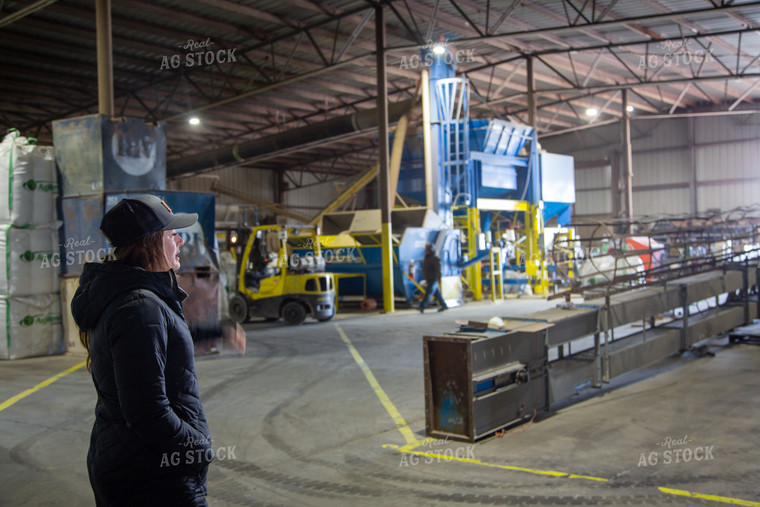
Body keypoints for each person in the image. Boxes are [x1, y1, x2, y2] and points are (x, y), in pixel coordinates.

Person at [71, 195, 213, 506]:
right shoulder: (138, 307)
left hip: (137, 462)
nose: (178, 240)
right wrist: (196, 450)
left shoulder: (137, 299)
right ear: (150, 243)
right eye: (170, 234)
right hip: (150, 474)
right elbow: (147, 411)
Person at [420, 242, 448, 313]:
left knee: (428, 293)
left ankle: (422, 306)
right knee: (437, 294)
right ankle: (444, 305)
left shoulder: (435, 259)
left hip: (433, 279)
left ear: (430, 250)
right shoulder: (427, 258)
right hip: (429, 278)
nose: (425, 251)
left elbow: (438, 269)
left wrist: (438, 278)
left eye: (427, 250)